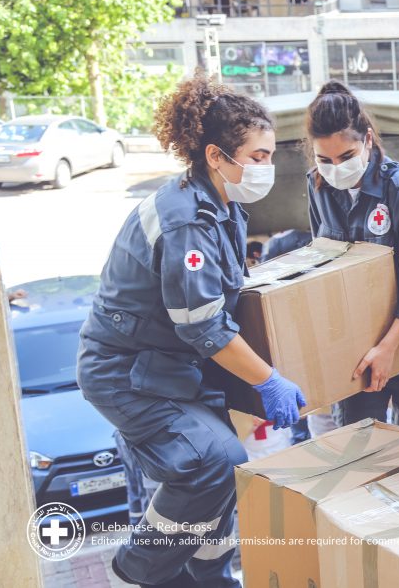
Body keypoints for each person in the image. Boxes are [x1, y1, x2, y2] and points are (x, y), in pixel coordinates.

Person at [77, 75, 306, 588]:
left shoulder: (222, 207)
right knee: (217, 461)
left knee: (223, 485)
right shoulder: (186, 221)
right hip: (128, 374)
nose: (267, 167)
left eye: (270, 155)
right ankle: (136, 571)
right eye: (259, 155)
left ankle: (211, 578)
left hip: (172, 369)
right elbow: (203, 324)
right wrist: (268, 379)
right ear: (217, 156)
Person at [305, 81, 399, 435]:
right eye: (324, 159)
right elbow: (325, 263)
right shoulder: (318, 186)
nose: (335, 168)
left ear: (368, 141)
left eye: (346, 157)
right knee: (357, 446)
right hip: (357, 343)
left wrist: (388, 346)